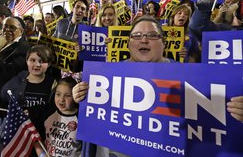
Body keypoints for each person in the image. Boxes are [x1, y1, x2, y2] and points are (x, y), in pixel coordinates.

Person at [72, 16, 243, 156]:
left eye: (152, 35)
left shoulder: (191, 78)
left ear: (164, 43)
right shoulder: (104, 76)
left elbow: (217, 129)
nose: (144, 40)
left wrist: (237, 116)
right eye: (137, 36)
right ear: (129, 43)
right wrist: (79, 94)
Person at [34, 77, 81, 157]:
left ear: (75, 97)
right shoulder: (48, 113)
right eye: (58, 94)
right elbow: (36, 139)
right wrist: (42, 155)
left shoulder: (81, 118)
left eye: (68, 95)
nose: (62, 99)